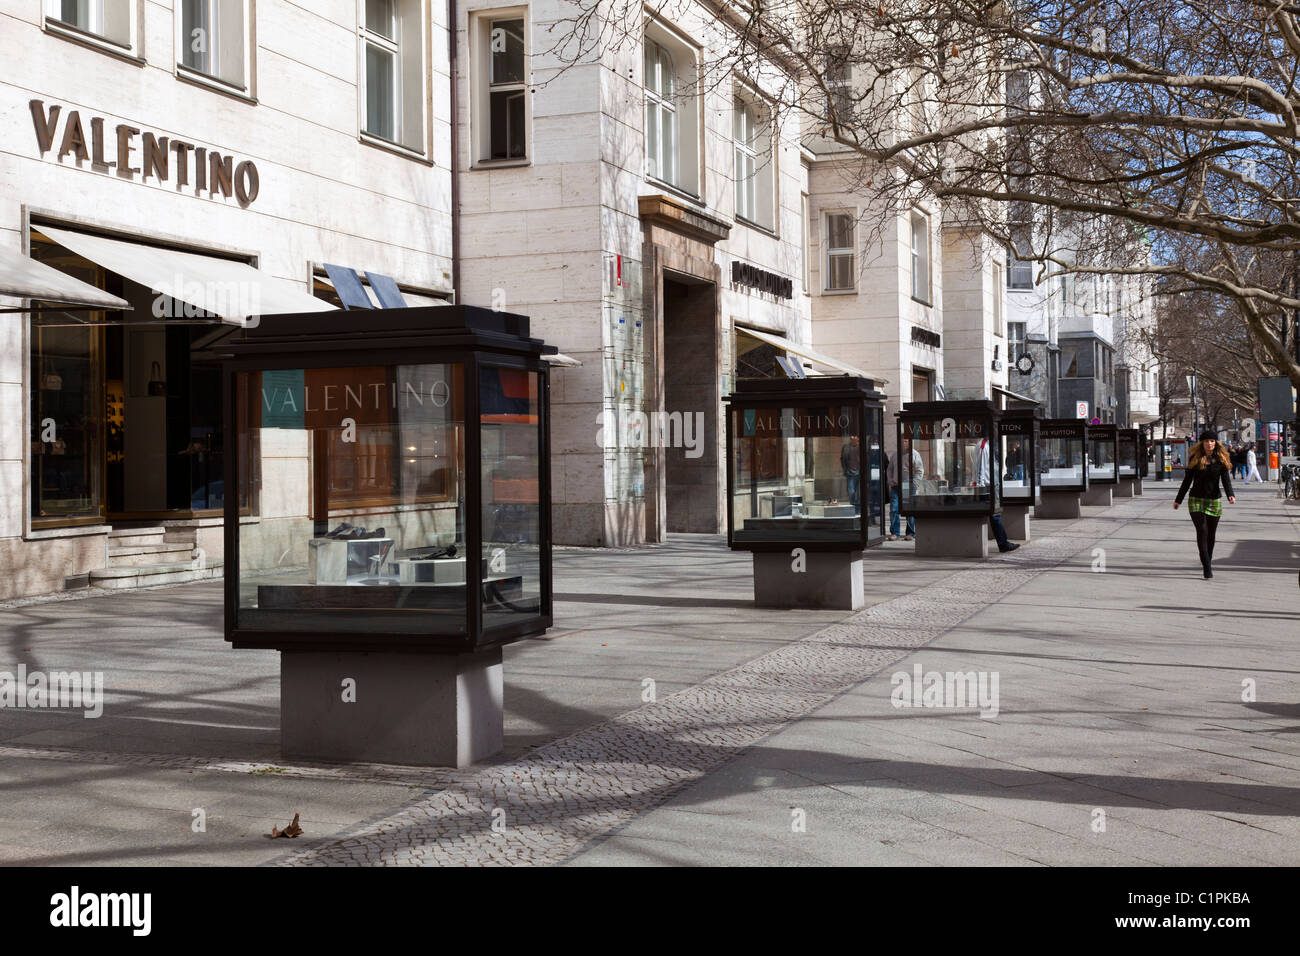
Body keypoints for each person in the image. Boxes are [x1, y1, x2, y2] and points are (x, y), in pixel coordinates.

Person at [1174, 430, 1235, 578]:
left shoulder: (1221, 459)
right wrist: (1178, 499)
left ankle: (1208, 559)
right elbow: (1187, 481)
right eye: (1207, 441)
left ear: (1216, 443)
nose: (1209, 443)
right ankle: (1207, 566)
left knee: (1211, 534)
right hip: (1196, 499)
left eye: (1212, 441)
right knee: (1202, 531)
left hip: (1214, 500)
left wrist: (1230, 495)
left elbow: (1226, 480)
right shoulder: (1195, 458)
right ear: (1202, 443)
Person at [976, 436, 1019, 553]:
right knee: (995, 515)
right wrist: (980, 487)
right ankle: (1003, 543)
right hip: (988, 485)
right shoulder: (983, 445)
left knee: (996, 514)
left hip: (993, 484)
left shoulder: (990, 444)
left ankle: (1003, 543)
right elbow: (980, 467)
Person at [888, 436, 922, 540]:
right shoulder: (895, 455)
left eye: (906, 441)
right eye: (902, 441)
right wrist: (890, 481)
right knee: (894, 509)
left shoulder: (915, 454)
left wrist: (914, 484)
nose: (904, 443)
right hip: (896, 486)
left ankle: (910, 533)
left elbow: (919, 471)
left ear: (910, 442)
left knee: (909, 510)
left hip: (908, 486)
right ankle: (895, 533)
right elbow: (889, 470)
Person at [841, 435, 861, 513]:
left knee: (859, 493)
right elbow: (842, 459)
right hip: (850, 473)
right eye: (851, 436)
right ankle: (853, 507)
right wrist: (845, 469)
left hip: (859, 473)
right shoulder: (846, 447)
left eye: (854, 436)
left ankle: (858, 509)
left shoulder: (861, 448)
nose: (852, 438)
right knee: (851, 492)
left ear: (858, 438)